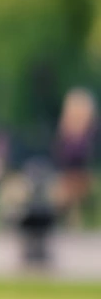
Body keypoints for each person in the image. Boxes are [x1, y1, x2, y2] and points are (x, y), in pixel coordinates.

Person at [54, 88, 97, 226]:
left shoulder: (92, 132)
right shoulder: (65, 134)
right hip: (66, 177)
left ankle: (73, 221)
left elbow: (88, 160)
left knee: (66, 190)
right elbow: (59, 159)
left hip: (85, 177)